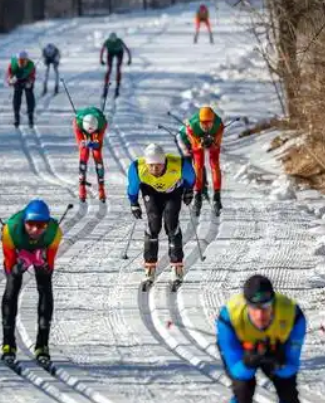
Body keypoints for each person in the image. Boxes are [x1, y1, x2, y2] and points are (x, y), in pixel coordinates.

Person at [216, 274, 306, 403]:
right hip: (242, 355)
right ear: (246, 304)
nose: (260, 315)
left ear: (273, 302)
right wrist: (247, 363)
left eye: (266, 307)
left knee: (288, 393)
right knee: (243, 389)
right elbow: (236, 370)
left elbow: (291, 366)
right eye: (254, 308)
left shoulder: (293, 315)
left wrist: (280, 363)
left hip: (276, 351)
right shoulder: (229, 318)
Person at [0, 199, 63, 364]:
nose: (35, 229)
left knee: (45, 289)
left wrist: (42, 262)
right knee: (12, 287)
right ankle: (8, 344)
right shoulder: (10, 229)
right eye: (31, 224)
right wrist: (17, 267)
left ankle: (42, 345)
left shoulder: (54, 233)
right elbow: (9, 264)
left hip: (42, 250)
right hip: (18, 251)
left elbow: (49, 265)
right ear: (24, 222)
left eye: (41, 225)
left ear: (47, 224)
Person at [126, 143, 196, 284]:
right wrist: (134, 204)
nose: (155, 169)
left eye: (158, 165)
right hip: (150, 192)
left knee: (171, 223)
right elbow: (132, 188)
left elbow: (191, 178)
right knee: (153, 224)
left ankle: (177, 265)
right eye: (151, 165)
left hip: (172, 192)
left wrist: (188, 191)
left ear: (164, 162)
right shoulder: (137, 168)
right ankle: (149, 265)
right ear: (146, 163)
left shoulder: (179, 165)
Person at [184, 106, 224, 216]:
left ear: (213, 122)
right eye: (204, 124)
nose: (206, 126)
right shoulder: (193, 125)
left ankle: (217, 195)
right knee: (198, 164)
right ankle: (197, 195)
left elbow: (217, 143)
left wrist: (214, 142)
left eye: (209, 123)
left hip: (214, 135)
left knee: (214, 164)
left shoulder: (218, 124)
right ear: (199, 121)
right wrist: (200, 144)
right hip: (197, 136)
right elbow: (194, 143)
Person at [73, 106, 108, 202]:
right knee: (84, 153)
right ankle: (82, 188)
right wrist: (83, 143)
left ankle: (101, 189)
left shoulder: (102, 123)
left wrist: (96, 141)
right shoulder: (77, 123)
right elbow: (80, 142)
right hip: (82, 127)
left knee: (97, 154)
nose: (90, 133)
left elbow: (99, 138)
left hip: (97, 128)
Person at [176, 124, 210, 201]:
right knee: (187, 163)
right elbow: (181, 143)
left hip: (194, 143)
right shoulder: (182, 134)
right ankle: (186, 187)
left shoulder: (203, 133)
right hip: (182, 142)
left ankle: (203, 187)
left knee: (199, 164)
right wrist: (186, 151)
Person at [6, 50, 36, 128]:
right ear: (17, 60)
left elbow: (32, 76)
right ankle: (16, 117)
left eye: (24, 61)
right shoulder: (12, 65)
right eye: (20, 61)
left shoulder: (31, 65)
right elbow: (9, 77)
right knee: (17, 96)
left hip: (27, 80)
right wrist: (11, 80)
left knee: (29, 95)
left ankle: (30, 117)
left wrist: (30, 82)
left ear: (27, 60)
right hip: (17, 80)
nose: (22, 63)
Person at [99, 32, 132, 98]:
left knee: (118, 68)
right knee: (109, 69)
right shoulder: (107, 42)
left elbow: (127, 49)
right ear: (110, 39)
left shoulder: (119, 41)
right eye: (112, 40)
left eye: (114, 40)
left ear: (116, 39)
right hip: (110, 53)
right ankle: (106, 87)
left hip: (119, 52)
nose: (113, 41)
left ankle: (117, 87)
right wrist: (101, 59)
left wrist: (129, 59)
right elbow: (102, 50)